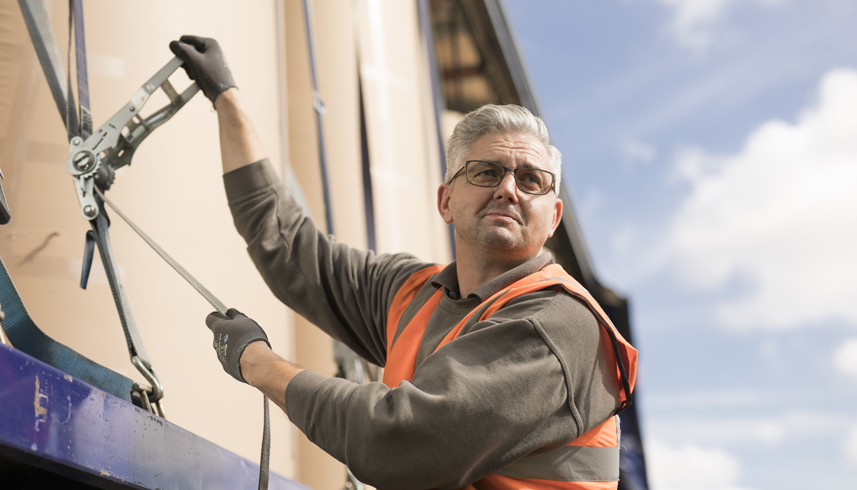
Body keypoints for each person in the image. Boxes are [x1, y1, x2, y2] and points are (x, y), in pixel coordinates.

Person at [170, 35, 637, 490]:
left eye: (531, 179)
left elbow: (396, 442)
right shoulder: (414, 295)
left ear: (553, 217)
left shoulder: (558, 324)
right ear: (446, 200)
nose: (508, 189)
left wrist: (256, 361)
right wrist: (227, 99)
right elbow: (286, 242)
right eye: (486, 172)